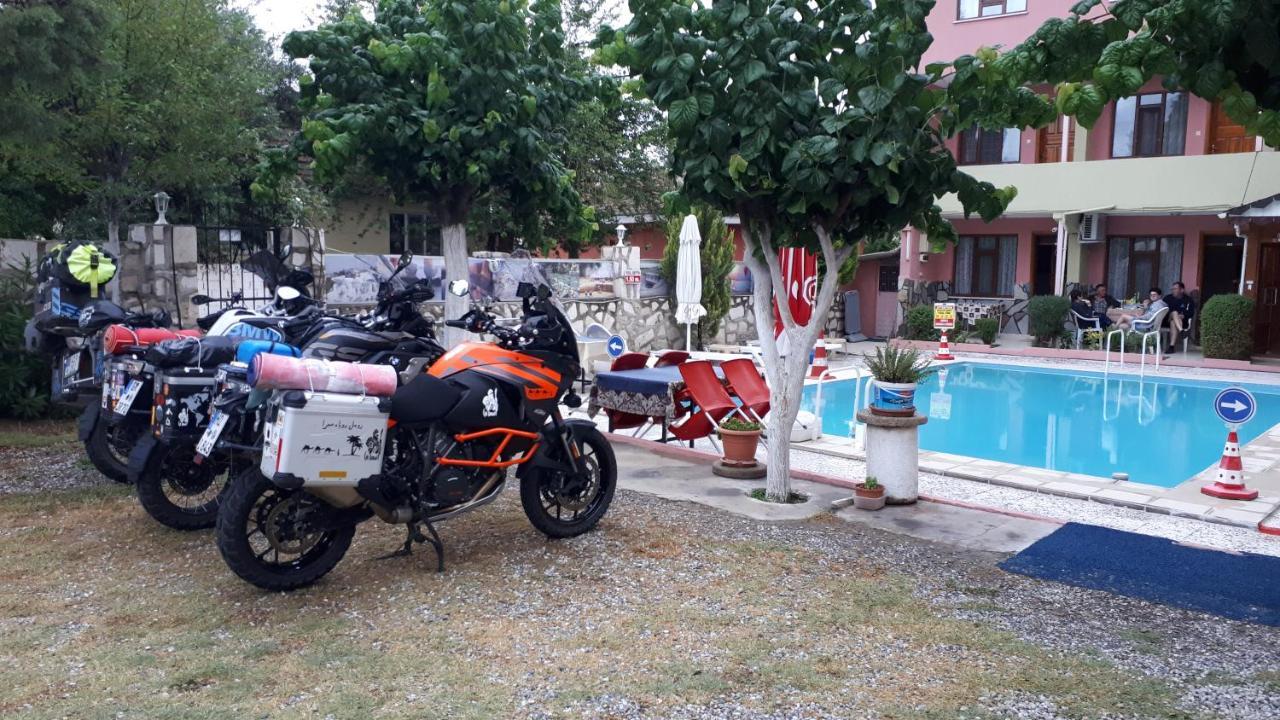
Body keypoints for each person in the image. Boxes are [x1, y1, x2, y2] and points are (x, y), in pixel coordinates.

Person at [1163, 281, 1195, 350]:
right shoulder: (1167, 298)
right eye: (1172, 289)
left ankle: (1171, 347)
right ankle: (1182, 331)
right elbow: (1162, 310)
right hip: (1167, 320)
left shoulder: (1188, 300)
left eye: (1175, 289)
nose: (1173, 290)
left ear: (1182, 290)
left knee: (1173, 322)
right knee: (1174, 312)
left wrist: (1183, 316)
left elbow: (1191, 313)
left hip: (1181, 321)